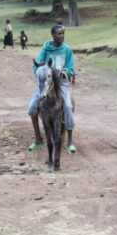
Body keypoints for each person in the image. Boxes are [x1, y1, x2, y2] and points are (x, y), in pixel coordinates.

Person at [27, 25, 77, 154]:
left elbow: (71, 69)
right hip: (46, 84)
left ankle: (70, 141)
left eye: (62, 34)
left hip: (61, 83)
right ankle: (38, 139)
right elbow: (36, 65)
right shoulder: (46, 49)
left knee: (67, 107)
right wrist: (40, 71)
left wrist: (63, 71)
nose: (61, 36)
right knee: (32, 107)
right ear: (53, 35)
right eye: (58, 34)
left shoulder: (67, 50)